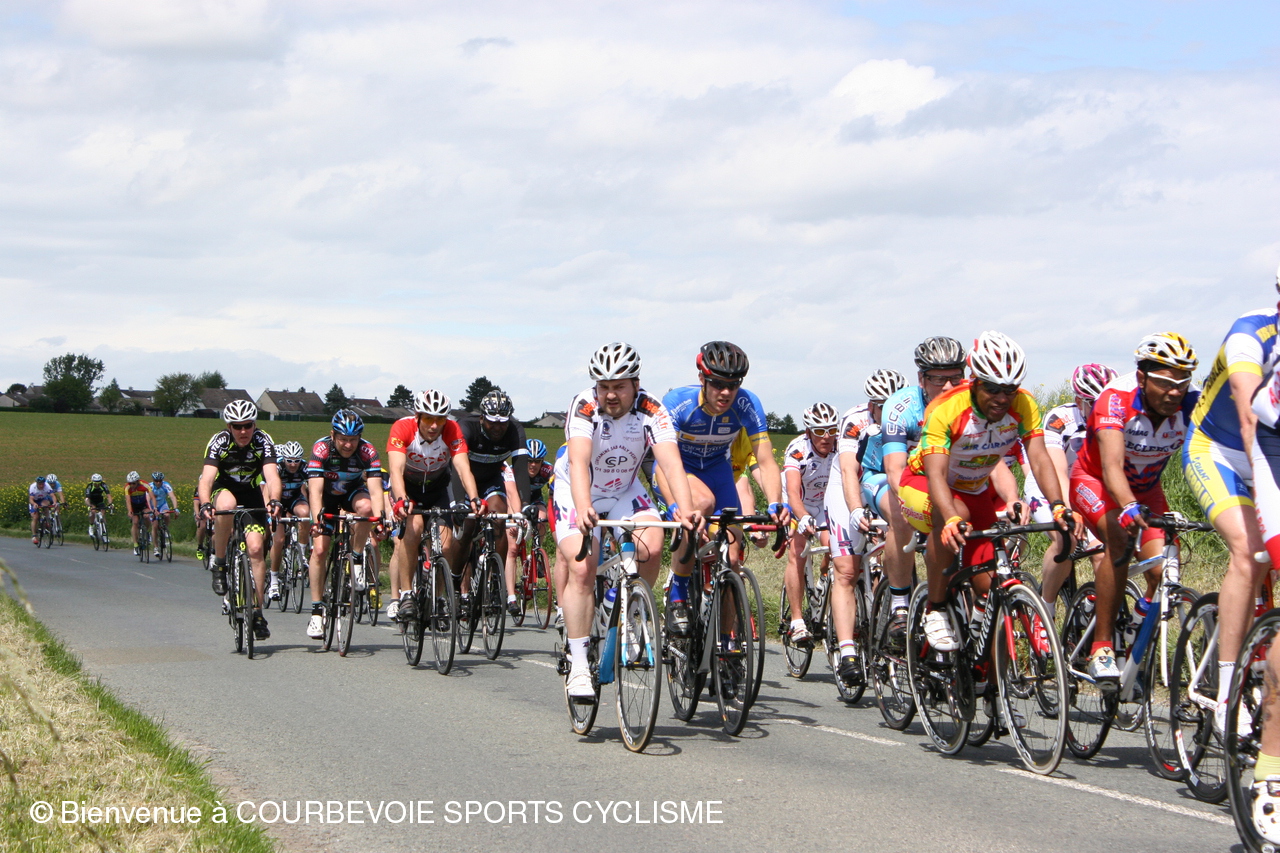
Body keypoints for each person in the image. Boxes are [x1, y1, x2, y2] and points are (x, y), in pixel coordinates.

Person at [899, 331, 1081, 653]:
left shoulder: (1023, 404)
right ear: (974, 382)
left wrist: (1058, 505)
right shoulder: (946, 409)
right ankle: (935, 608)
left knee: (989, 585)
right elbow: (936, 473)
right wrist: (950, 518)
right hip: (922, 483)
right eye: (993, 389)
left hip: (973, 490)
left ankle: (984, 665)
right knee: (955, 516)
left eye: (1010, 389)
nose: (1002, 398)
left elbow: (1039, 458)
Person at [556, 342, 703, 698]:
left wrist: (685, 510)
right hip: (578, 488)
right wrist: (584, 506)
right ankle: (579, 664)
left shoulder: (652, 409)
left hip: (623, 488)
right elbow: (578, 462)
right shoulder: (584, 405)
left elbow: (671, 463)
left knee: (651, 547)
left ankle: (631, 613)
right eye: (604, 386)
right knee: (582, 567)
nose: (610, 394)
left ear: (636, 384)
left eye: (619, 386)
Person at [1069, 332, 1200, 687]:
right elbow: (1111, 466)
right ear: (1142, 377)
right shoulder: (1116, 398)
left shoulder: (1192, 403)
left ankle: (1136, 628)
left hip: (1146, 489)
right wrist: (1127, 506)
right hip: (1096, 481)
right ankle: (1101, 647)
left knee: (1163, 572)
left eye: (1182, 383)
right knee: (1119, 539)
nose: (1174, 392)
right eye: (1165, 383)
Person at [1185, 272, 1279, 724]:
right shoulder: (1250, 335)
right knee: (1249, 550)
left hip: (1272, 450)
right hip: (1218, 450)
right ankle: (1226, 693)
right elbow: (1248, 422)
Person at [660, 341, 790, 636]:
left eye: (733, 385)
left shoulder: (747, 403)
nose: (726, 392)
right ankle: (678, 593)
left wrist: (775, 502)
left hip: (719, 472)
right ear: (702, 379)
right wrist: (674, 505)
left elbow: (766, 461)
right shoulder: (678, 403)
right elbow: (664, 463)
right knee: (701, 502)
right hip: (679, 469)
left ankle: (726, 644)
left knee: (732, 558)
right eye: (718, 384)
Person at [880, 337, 968, 640]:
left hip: (944, 476)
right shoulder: (900, 407)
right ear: (921, 379)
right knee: (900, 516)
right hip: (902, 475)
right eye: (938, 379)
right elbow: (894, 470)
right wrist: (919, 508)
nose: (948, 387)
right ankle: (899, 604)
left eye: (956, 377)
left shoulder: (969, 402)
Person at [825, 368, 906, 680]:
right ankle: (847, 651)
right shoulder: (856, 420)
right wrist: (856, 509)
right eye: (882, 406)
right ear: (871, 405)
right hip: (849, 484)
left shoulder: (911, 414)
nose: (890, 411)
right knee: (847, 569)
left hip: (887, 483)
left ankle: (894, 619)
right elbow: (849, 470)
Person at [1023, 363, 1116, 623]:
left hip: (1088, 488)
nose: (1102, 409)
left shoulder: (1117, 418)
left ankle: (1093, 607)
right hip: (1048, 486)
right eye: (1094, 403)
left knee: (1103, 551)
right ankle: (1045, 611)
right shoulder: (1060, 419)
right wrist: (1069, 510)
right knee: (1067, 539)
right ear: (1079, 402)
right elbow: (1057, 472)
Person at [385, 390, 483, 622]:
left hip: (437, 488)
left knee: (446, 545)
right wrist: (401, 499)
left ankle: (438, 597)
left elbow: (463, 468)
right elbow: (396, 470)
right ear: (418, 416)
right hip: (408, 488)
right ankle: (406, 594)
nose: (434, 425)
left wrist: (474, 498)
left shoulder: (452, 430)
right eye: (428, 418)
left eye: (440, 419)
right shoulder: (402, 428)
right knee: (414, 528)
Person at [198, 400, 283, 642]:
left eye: (247, 425)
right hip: (223, 488)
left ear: (254, 425)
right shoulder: (219, 442)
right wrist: (205, 503)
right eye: (237, 426)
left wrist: (275, 500)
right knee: (226, 506)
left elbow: (272, 476)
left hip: (251, 492)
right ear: (229, 427)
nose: (243, 431)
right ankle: (220, 564)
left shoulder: (263, 440)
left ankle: (257, 612)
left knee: (255, 549)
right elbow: (206, 479)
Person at [305, 409, 385, 640]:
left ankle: (357, 557)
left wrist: (380, 520)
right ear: (333, 435)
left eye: (353, 439)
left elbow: (375, 490)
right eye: (343, 439)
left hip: (352, 493)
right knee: (320, 550)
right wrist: (316, 520)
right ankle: (316, 612)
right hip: (326, 498)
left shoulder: (367, 451)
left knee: (366, 509)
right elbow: (315, 491)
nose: (348, 445)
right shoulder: (321, 449)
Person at [453, 390, 531, 618]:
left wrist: (526, 504)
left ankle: (495, 579)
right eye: (492, 422)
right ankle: (456, 580)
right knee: (467, 525)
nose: (498, 427)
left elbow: (520, 468)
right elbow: (458, 468)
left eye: (503, 422)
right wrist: (459, 502)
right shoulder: (466, 427)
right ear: (481, 418)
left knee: (499, 515)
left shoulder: (515, 430)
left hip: (490, 479)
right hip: (462, 478)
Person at [781, 403, 840, 646]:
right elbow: (793, 493)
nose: (826, 437)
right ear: (808, 432)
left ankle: (824, 582)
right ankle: (797, 621)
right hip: (799, 504)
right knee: (798, 552)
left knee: (837, 549)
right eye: (819, 431)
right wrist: (803, 516)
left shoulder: (840, 447)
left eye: (832, 430)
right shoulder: (798, 449)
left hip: (825, 505)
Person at [268, 441, 311, 602]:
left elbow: (315, 487)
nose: (293, 464)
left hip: (294, 498)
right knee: (278, 540)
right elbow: (266, 490)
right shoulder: (277, 468)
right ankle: (273, 580)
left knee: (305, 514)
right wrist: (269, 510)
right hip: (278, 500)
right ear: (284, 459)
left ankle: (301, 553)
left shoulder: (305, 468)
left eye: (296, 461)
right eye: (289, 461)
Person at [124, 471, 156, 555]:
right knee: (135, 522)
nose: (132, 485)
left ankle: (146, 532)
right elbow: (128, 500)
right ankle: (135, 545)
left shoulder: (144, 485)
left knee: (147, 516)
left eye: (133, 483)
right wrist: (130, 511)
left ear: (138, 481)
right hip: (134, 506)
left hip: (143, 505)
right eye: (130, 483)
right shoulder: (127, 487)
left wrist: (155, 508)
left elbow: (152, 497)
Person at [148, 472, 177, 559]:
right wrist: (152, 510)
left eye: (160, 481)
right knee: (155, 525)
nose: (158, 483)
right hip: (152, 506)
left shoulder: (166, 485)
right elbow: (148, 499)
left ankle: (165, 530)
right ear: (153, 480)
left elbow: (172, 497)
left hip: (162, 505)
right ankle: (156, 547)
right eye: (156, 481)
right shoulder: (150, 486)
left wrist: (175, 508)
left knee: (167, 515)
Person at [27, 475, 56, 544]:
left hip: (42, 499)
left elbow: (53, 496)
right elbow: (31, 499)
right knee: (35, 517)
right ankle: (34, 536)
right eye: (40, 484)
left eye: (42, 484)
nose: (41, 486)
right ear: (37, 483)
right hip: (34, 501)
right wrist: (34, 504)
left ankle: (47, 520)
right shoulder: (33, 487)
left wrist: (54, 502)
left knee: (46, 505)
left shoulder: (47, 486)